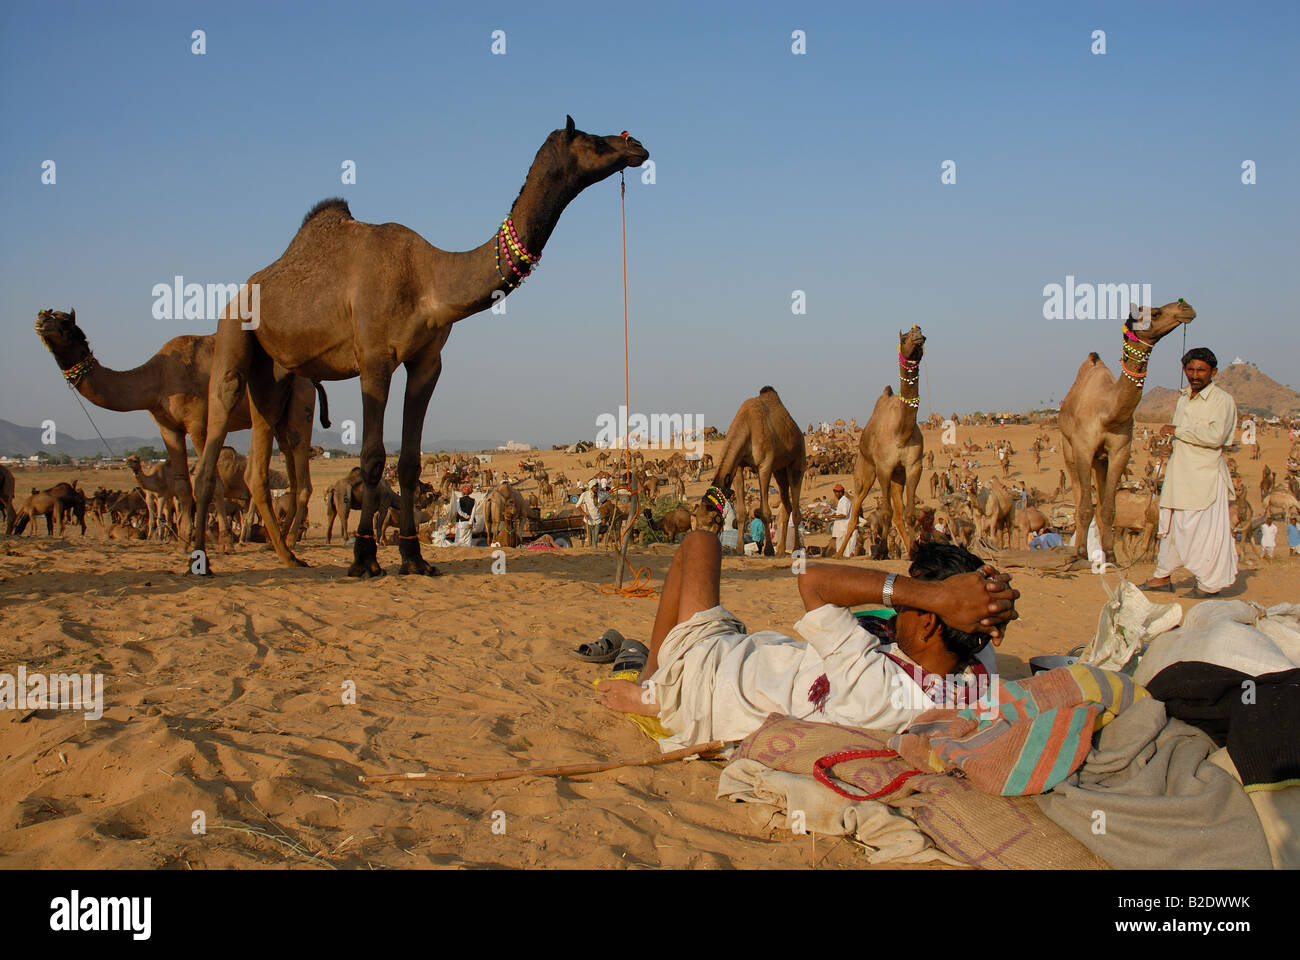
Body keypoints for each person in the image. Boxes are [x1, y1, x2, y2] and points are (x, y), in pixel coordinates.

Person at [596, 533, 1018, 751]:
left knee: (700, 543)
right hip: (747, 657)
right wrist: (983, 598)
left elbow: (812, 579)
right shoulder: (974, 667)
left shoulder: (873, 686)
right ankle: (655, 677)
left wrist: (937, 595)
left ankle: (653, 684)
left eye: (908, 608)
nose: (897, 613)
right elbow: (976, 622)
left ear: (928, 622)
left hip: (710, 678)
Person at [1142, 348, 1239, 597]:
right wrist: (1169, 445)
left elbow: (1216, 437)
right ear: (1185, 370)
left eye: (1201, 370)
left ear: (1213, 372)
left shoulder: (1222, 400)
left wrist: (1178, 431)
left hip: (1204, 477)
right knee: (1173, 526)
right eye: (1191, 369)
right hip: (1179, 474)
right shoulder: (1184, 398)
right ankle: (1161, 577)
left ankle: (1209, 585)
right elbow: (1179, 434)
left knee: (1204, 533)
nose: (1195, 375)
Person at [829, 483, 858, 556]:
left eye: (838, 492)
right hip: (840, 529)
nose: (836, 494)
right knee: (839, 544)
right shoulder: (841, 501)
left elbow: (844, 515)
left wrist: (832, 517)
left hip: (843, 528)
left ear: (841, 492)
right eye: (835, 492)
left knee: (845, 547)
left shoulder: (845, 501)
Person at [577, 479, 602, 548]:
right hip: (589, 520)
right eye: (595, 486)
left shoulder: (600, 494)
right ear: (591, 487)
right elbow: (577, 505)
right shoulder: (585, 495)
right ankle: (592, 552)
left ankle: (595, 550)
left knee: (595, 538)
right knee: (590, 539)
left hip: (597, 519)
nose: (597, 487)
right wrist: (584, 513)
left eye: (597, 486)